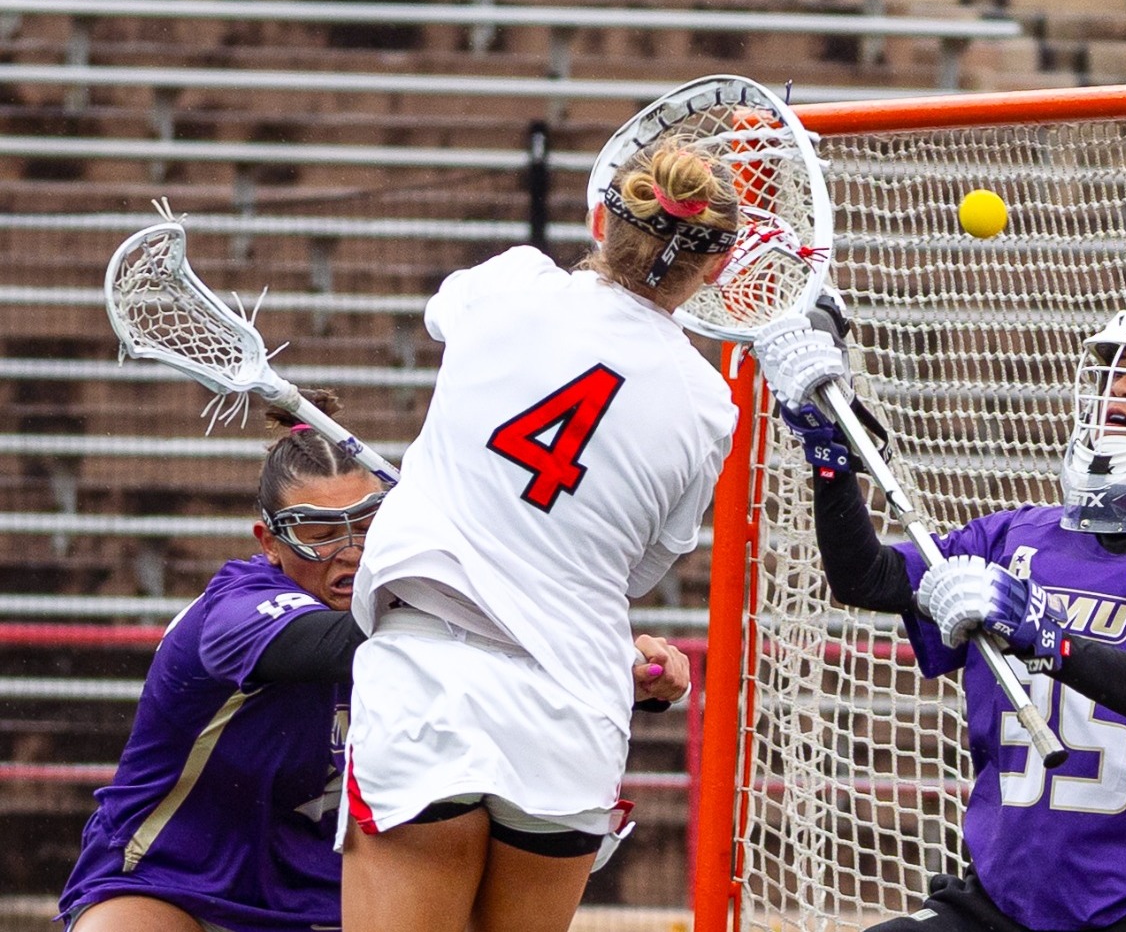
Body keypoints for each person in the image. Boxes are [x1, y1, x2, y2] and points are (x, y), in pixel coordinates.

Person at [750, 294, 1126, 932]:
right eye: (1117, 373)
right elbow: (866, 576)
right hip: (1003, 902)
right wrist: (832, 460)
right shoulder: (1018, 537)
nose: (1123, 391)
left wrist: (1050, 641)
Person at [56, 394, 692, 932]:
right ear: (269, 542)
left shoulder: (426, 619)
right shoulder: (234, 614)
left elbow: (498, 677)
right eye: (317, 531)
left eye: (367, 522)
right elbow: (345, 644)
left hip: (312, 890)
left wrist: (618, 670)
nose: (350, 552)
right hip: (168, 876)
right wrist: (547, 621)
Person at [339, 140, 739, 932]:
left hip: (430, 680)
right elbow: (634, 570)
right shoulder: (708, 405)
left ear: (600, 215)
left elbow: (441, 317)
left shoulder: (512, 282)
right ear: (717, 267)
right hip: (572, 709)